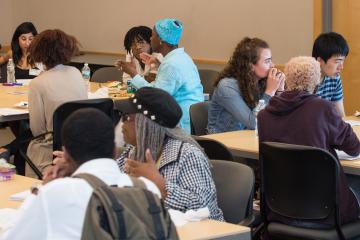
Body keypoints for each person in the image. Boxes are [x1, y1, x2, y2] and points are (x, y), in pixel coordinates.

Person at [2, 108, 160, 240]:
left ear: (66, 154)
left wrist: (39, 193)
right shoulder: (148, 189)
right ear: (114, 151)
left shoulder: (55, 193)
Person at [257, 56, 360, 228]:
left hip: (279, 210)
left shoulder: (264, 115)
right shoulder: (322, 109)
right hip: (326, 213)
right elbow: (354, 148)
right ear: (316, 81)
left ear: (287, 80)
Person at [115, 87, 223, 221]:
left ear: (146, 124)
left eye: (126, 117)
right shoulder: (132, 152)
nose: (122, 123)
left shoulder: (187, 155)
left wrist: (160, 185)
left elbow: (205, 207)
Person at [117, 18, 204, 133]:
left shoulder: (171, 64)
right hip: (189, 118)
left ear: (161, 40)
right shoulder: (182, 57)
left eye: (153, 35)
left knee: (129, 125)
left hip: (180, 125)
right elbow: (159, 87)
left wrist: (133, 73)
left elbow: (156, 97)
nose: (150, 38)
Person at [25, 29, 88, 178]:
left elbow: (38, 131)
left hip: (53, 147)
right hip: (80, 142)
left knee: (27, 144)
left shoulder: (37, 83)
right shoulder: (76, 73)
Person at [207, 37, 285, 133]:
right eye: (267, 61)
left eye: (271, 60)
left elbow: (280, 119)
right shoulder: (227, 87)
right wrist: (270, 92)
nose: (272, 65)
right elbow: (253, 122)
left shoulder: (261, 82)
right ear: (250, 65)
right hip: (222, 143)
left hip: (246, 140)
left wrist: (280, 91)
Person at [313, 32, 349, 117]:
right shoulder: (305, 80)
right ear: (320, 61)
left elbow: (340, 115)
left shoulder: (335, 79)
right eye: (337, 62)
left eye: (342, 61)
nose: (341, 67)